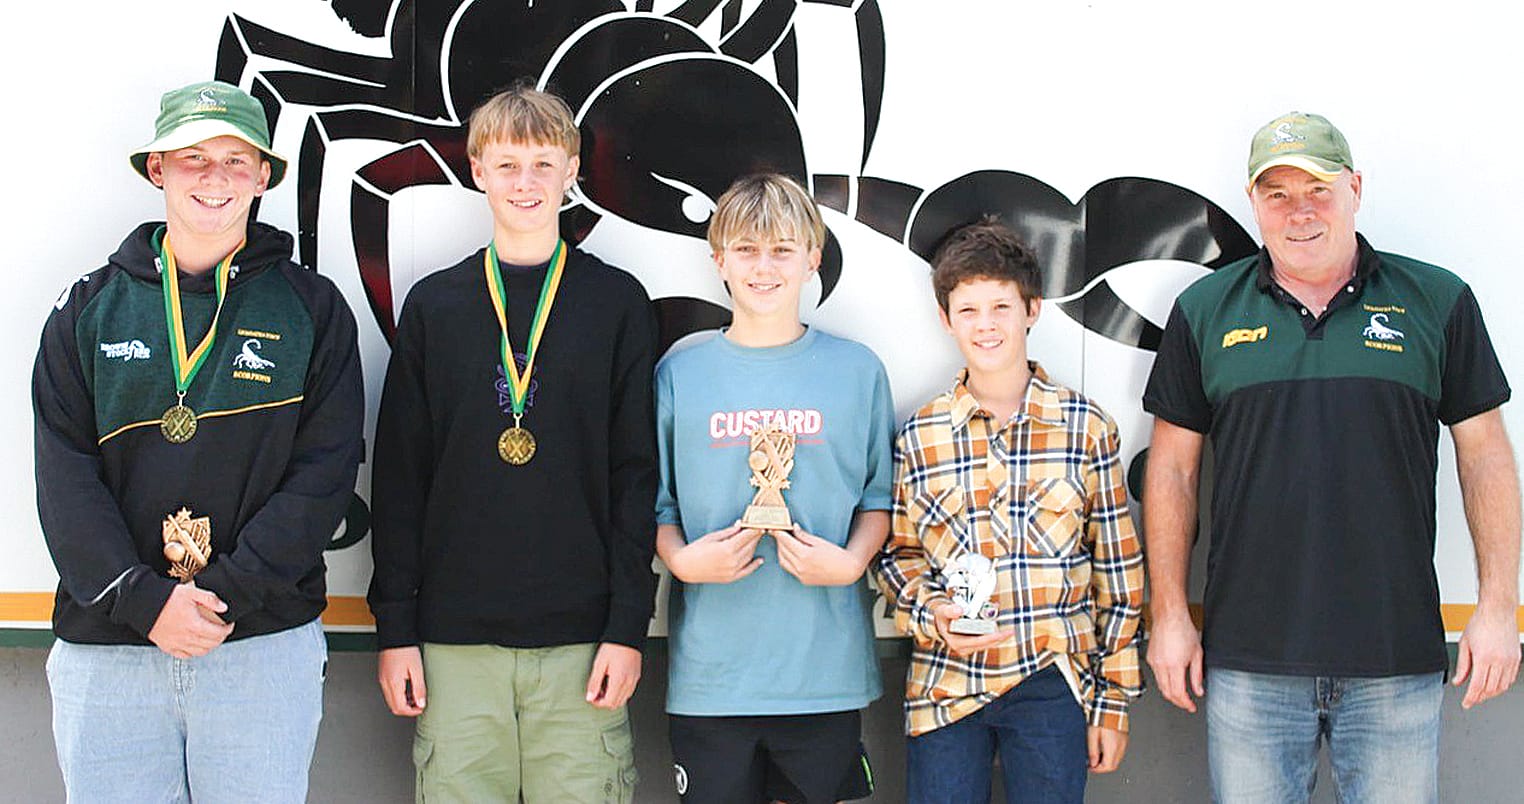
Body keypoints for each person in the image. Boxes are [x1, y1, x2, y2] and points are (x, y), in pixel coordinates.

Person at [1143, 111, 1521, 803]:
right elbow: (1172, 472)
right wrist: (1169, 615)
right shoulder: (1204, 312)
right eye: (1278, 193)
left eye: (1317, 188)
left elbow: (1486, 459)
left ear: (1354, 188)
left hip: (1394, 658)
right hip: (1251, 661)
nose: (1300, 212)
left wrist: (1498, 607)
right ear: (1254, 203)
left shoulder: (1437, 302)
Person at [33, 79, 364, 802]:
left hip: (259, 646)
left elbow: (325, 475)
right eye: (193, 159)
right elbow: (64, 480)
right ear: (157, 169)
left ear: (264, 177)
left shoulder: (312, 308)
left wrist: (221, 596)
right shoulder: (87, 309)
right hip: (111, 649)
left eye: (237, 161)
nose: (215, 179)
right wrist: (144, 601)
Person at [367, 85, 657, 802]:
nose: (524, 183)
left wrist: (627, 626)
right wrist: (395, 630)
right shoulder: (435, 306)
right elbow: (400, 481)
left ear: (571, 173)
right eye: (506, 165)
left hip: (582, 643)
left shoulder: (618, 303)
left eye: (541, 164)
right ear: (476, 171)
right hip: (454, 645)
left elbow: (635, 478)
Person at [874, 219, 1143, 803]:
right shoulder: (920, 435)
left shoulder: (1085, 428)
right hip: (946, 685)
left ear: (1033, 309)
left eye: (1001, 305)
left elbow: (1117, 575)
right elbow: (897, 556)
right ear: (946, 320)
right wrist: (935, 610)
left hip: (1051, 681)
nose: (986, 324)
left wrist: (1113, 702)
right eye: (968, 310)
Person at [654, 173, 892, 803]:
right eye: (747, 250)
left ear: (813, 258)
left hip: (822, 673)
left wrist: (851, 563)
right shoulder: (681, 371)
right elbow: (657, 501)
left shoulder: (856, 370)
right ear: (719, 260)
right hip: (713, 675)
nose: (765, 267)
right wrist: (679, 557)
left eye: (783, 249)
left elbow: (878, 498)